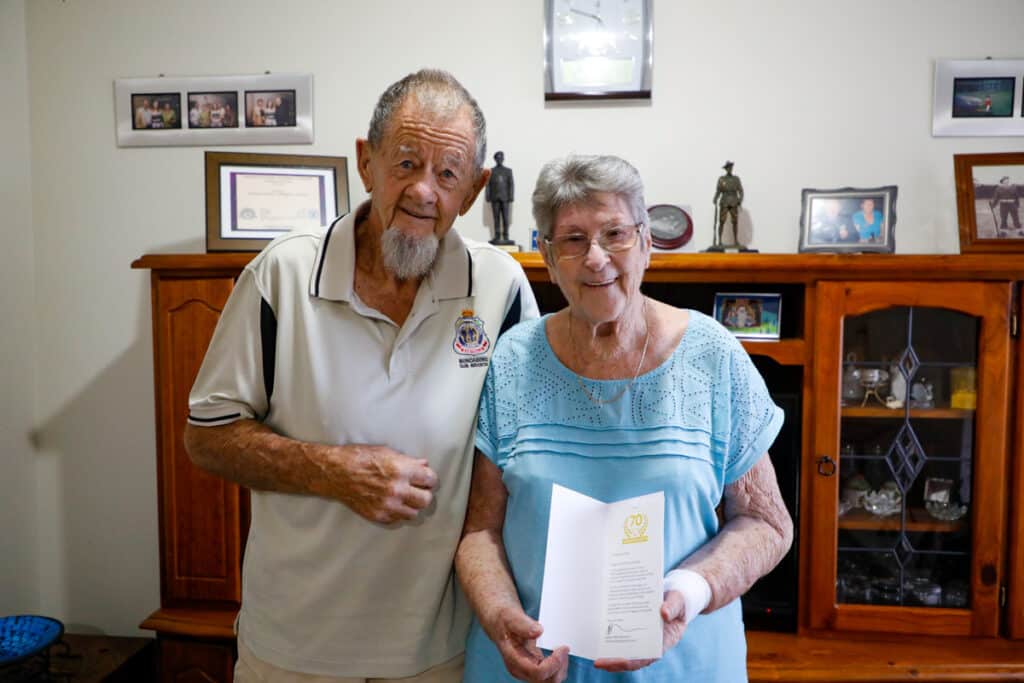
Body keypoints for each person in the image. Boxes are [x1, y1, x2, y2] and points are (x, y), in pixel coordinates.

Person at [184, 69, 539, 682]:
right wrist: (334, 471)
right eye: (405, 163)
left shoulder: (500, 286)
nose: (424, 191)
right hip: (292, 651)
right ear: (366, 162)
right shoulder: (282, 276)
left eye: (448, 173)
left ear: (476, 190)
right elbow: (206, 436)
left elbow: (526, 451)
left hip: (438, 655)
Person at [456, 154, 793, 682]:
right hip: (534, 667)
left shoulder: (713, 355)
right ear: (545, 255)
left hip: (682, 663)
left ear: (646, 243)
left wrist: (691, 590)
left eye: (615, 233)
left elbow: (767, 523)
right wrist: (500, 616)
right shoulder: (513, 361)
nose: (596, 258)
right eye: (572, 239)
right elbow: (481, 531)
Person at [486, 151, 515, 245]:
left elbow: (511, 184)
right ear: (495, 159)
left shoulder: (508, 171)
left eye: (501, 157)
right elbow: (488, 185)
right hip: (495, 198)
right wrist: (488, 196)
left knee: (506, 218)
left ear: (503, 159)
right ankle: (497, 235)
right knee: (496, 218)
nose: (499, 159)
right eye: (497, 158)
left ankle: (506, 235)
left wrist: (511, 196)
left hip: (505, 198)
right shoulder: (491, 171)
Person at [712, 161, 743, 247]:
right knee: (721, 221)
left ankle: (736, 240)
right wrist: (715, 198)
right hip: (724, 201)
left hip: (734, 201)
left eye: (731, 167)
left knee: (735, 222)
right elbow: (718, 191)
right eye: (728, 167)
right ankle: (719, 241)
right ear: (726, 169)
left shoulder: (736, 179)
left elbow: (740, 190)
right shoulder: (721, 179)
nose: (730, 169)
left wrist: (740, 199)